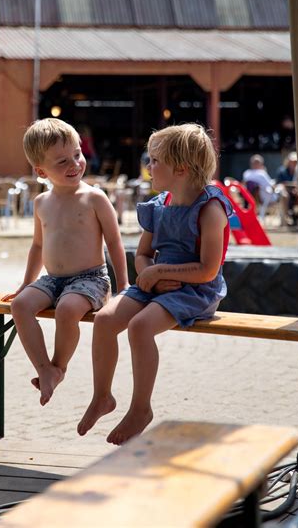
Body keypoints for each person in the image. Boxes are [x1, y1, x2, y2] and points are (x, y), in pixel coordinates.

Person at [77, 123, 232, 445]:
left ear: (180, 168)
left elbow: (208, 270)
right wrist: (151, 274)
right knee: (105, 320)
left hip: (196, 289)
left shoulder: (210, 209)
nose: (148, 166)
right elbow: (143, 255)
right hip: (157, 280)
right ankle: (102, 396)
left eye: (154, 160)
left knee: (140, 327)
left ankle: (140, 408)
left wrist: (159, 274)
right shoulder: (159, 205)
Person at [1, 118, 129, 406]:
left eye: (77, 154)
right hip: (53, 279)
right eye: (62, 161)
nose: (74, 164)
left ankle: (59, 367)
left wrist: (124, 285)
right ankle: (44, 368)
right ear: (40, 170)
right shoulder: (41, 203)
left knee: (68, 309)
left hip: (91, 279)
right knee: (19, 305)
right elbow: (37, 245)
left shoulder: (94, 198)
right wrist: (26, 283)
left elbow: (115, 242)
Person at [242, 154, 278, 220]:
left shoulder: (246, 173)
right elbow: (271, 185)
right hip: (264, 198)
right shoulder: (261, 173)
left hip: (249, 198)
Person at [275, 151, 298, 226]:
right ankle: (286, 218)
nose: (294, 163)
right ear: (288, 161)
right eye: (292, 161)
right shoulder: (282, 171)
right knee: (284, 196)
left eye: (295, 161)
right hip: (285, 191)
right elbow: (279, 184)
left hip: (295, 192)